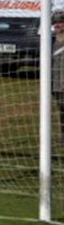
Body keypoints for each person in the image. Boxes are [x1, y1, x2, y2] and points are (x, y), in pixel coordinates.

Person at [52, 11, 64, 147]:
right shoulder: (49, 41)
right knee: (62, 110)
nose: (57, 25)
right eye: (55, 22)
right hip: (56, 84)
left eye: (60, 22)